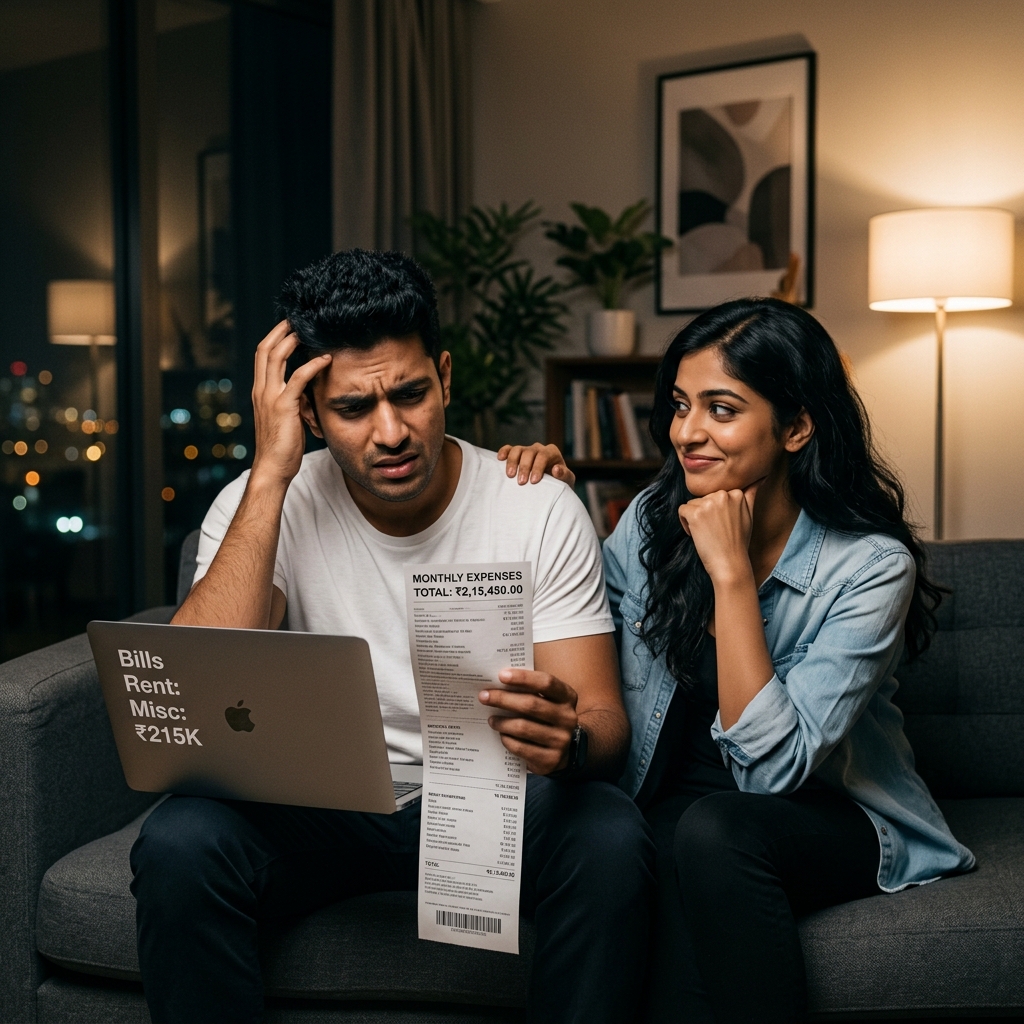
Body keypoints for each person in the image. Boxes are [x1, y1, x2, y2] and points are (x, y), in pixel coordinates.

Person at [130, 249, 655, 1024]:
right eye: (351, 409)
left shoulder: (535, 507)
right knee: (179, 841)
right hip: (320, 808)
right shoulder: (260, 503)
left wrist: (567, 742)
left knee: (610, 836)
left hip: (492, 804)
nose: (392, 432)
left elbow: (607, 724)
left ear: (444, 376)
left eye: (411, 394)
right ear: (308, 412)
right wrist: (272, 472)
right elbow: (195, 688)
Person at [500, 297, 975, 1023]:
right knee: (639, 847)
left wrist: (728, 575)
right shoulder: (655, 523)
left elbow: (769, 774)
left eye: (721, 409)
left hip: (823, 814)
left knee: (714, 830)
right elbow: (579, 637)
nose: (686, 432)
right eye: (681, 404)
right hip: (673, 810)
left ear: (797, 425)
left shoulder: (870, 568)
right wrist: (545, 510)